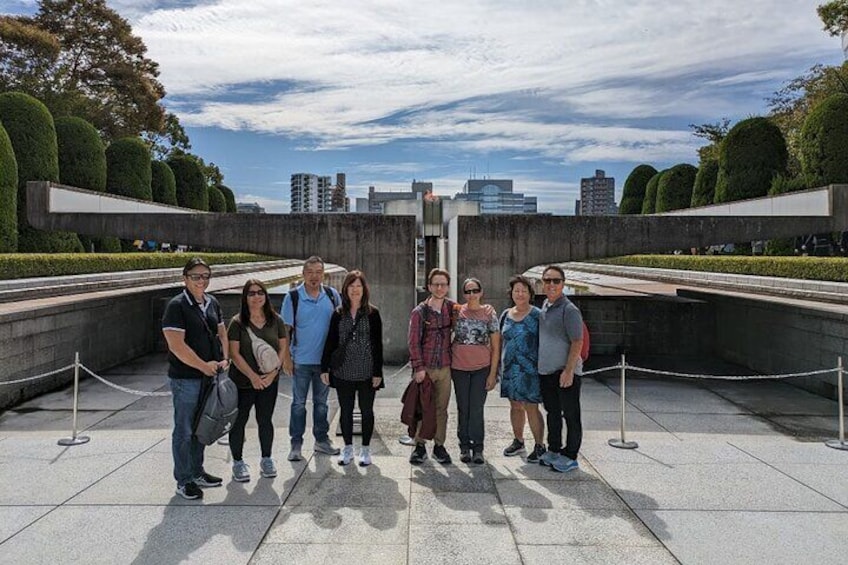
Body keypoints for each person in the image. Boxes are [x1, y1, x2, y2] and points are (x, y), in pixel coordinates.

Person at [161, 257, 229, 500]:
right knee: (184, 429)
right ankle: (184, 479)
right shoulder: (176, 306)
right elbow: (176, 346)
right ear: (185, 278)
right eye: (196, 276)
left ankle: (197, 471)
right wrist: (203, 366)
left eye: (205, 276)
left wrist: (225, 359)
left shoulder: (212, 302)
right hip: (186, 379)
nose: (201, 281)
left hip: (209, 378)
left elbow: (222, 332)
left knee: (202, 427)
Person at [281, 256, 341, 460]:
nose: (314, 276)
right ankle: (296, 444)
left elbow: (339, 328)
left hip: (324, 363)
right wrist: (286, 358)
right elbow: (285, 331)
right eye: (310, 272)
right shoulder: (293, 297)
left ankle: (321, 441)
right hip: (301, 361)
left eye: (318, 272)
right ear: (303, 274)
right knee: (298, 403)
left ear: (323, 274)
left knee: (321, 404)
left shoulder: (332, 296)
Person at [226, 279, 288, 482]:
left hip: (269, 381)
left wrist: (272, 375)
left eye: (260, 292)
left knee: (265, 420)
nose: (256, 297)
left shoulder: (275, 320)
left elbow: (282, 348)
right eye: (251, 293)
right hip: (243, 382)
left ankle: (267, 458)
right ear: (245, 297)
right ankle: (238, 462)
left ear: (265, 296)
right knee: (239, 421)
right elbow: (234, 354)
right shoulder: (237, 323)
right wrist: (253, 377)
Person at [321, 270, 384, 466]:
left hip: (366, 371)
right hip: (343, 371)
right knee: (346, 411)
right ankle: (347, 448)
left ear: (364, 289)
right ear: (345, 289)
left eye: (359, 286)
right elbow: (331, 342)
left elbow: (377, 344)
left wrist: (377, 372)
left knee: (367, 411)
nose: (355, 290)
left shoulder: (373, 313)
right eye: (351, 286)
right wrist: (325, 368)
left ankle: (365, 449)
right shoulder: (338, 313)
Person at [537, 265, 584, 473]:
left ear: (563, 284)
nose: (552, 285)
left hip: (565, 372)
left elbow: (577, 341)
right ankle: (554, 448)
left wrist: (569, 370)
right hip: (547, 372)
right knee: (552, 413)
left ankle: (571, 454)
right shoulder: (545, 306)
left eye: (556, 281)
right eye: (547, 281)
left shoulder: (569, 309)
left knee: (571, 415)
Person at [407, 268, 456, 465]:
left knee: (441, 409)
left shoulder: (453, 309)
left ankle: (439, 445)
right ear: (429, 286)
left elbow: (472, 312)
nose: (439, 287)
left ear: (447, 287)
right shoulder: (420, 312)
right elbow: (412, 342)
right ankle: (419, 445)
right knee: (421, 408)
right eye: (436, 284)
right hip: (425, 368)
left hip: (445, 367)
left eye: (443, 284)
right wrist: (418, 368)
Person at [451, 278, 500, 464]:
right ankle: (464, 446)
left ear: (481, 292)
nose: (471, 294)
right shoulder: (457, 311)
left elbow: (496, 345)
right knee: (463, 408)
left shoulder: (489, 313)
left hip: (481, 368)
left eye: (475, 290)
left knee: (477, 409)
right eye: (468, 291)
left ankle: (478, 447)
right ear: (464, 294)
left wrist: (493, 373)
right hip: (459, 368)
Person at [499, 275, 546, 463]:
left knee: (531, 407)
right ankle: (518, 440)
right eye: (516, 290)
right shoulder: (505, 314)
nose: (519, 294)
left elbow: (546, 342)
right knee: (515, 406)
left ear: (530, 294)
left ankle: (540, 445)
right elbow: (499, 342)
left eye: (523, 291)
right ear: (511, 293)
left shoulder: (537, 315)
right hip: (510, 369)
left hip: (530, 370)